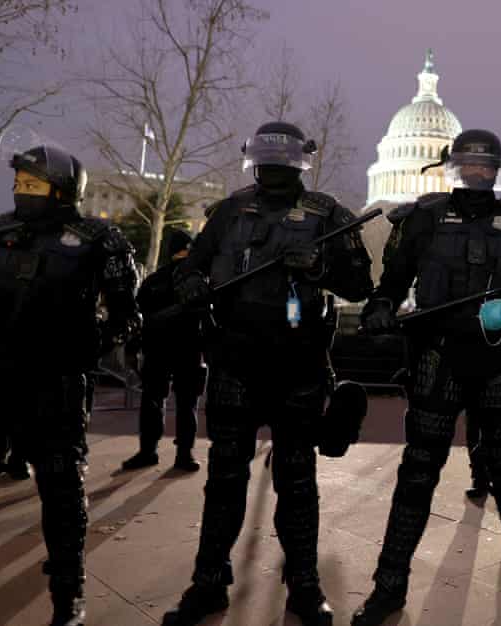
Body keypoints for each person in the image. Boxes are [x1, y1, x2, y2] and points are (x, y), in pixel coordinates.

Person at [353, 129, 501, 626]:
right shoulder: (423, 218)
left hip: (500, 364)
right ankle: (387, 588)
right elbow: (391, 283)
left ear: (497, 170)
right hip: (439, 357)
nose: (477, 173)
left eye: (486, 166)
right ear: (453, 166)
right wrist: (380, 307)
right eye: (469, 165)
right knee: (416, 478)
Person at [162, 122, 373, 626]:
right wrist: (189, 283)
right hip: (235, 361)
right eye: (265, 162)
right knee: (224, 481)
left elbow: (362, 283)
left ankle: (304, 584)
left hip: (297, 366)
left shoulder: (329, 215)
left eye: (281, 162)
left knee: (298, 482)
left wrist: (320, 267)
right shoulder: (230, 210)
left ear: (298, 163)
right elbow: (193, 263)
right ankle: (208, 580)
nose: (272, 170)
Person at [0, 130, 140, 626]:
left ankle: (68, 596)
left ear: (61, 188)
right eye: (18, 181)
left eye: (32, 183)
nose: (21, 189)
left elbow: (126, 315)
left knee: (61, 495)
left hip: (52, 387)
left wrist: (85, 348)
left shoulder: (102, 241)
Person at [122, 228, 206, 473]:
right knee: (187, 404)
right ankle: (184, 455)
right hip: (189, 349)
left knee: (152, 401)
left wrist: (132, 349)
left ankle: (148, 451)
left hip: (157, 349)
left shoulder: (153, 280)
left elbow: (137, 320)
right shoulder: (199, 278)